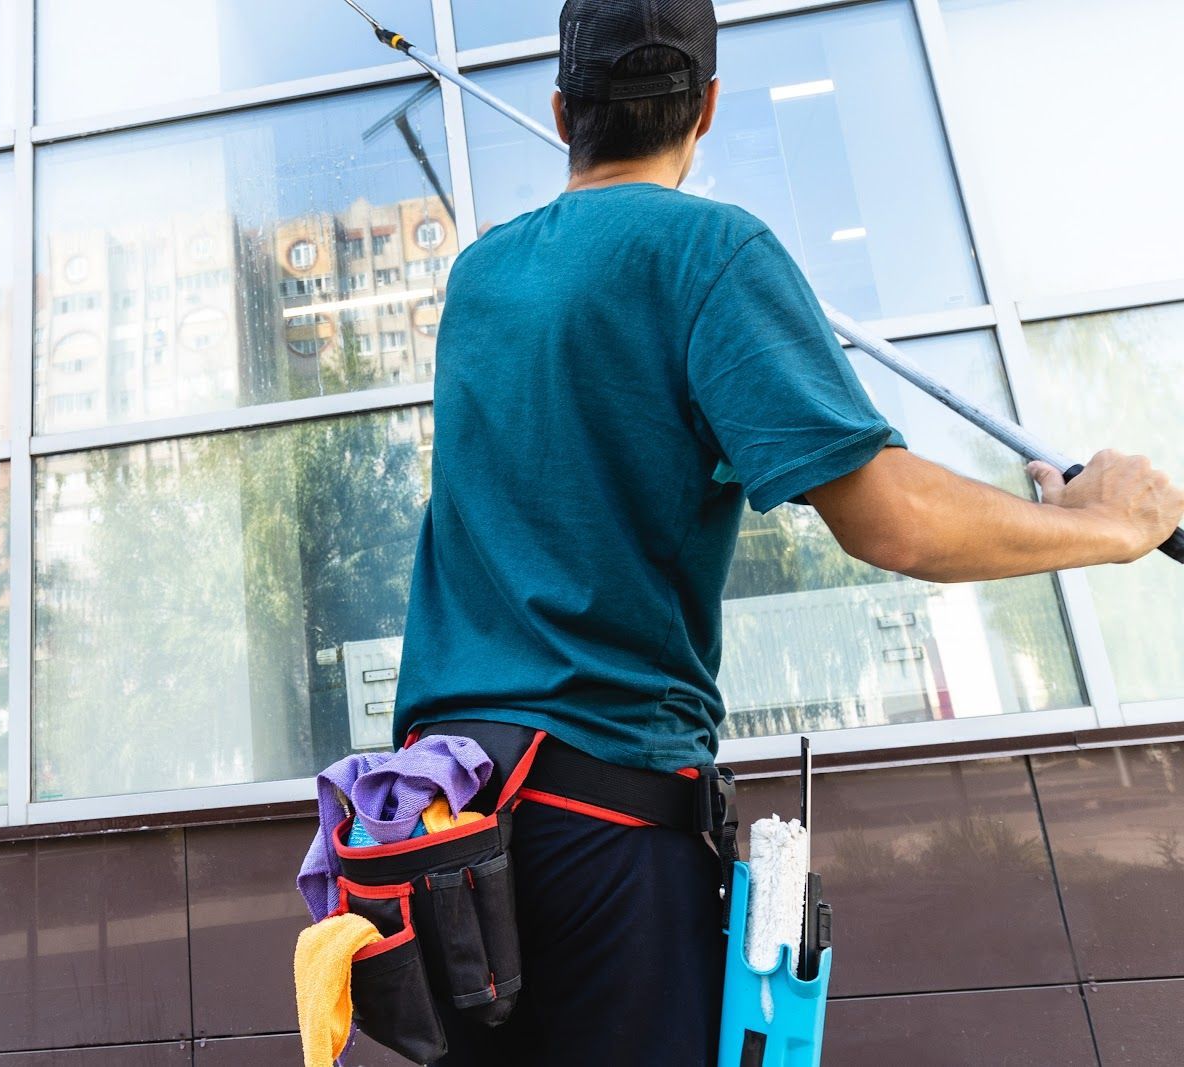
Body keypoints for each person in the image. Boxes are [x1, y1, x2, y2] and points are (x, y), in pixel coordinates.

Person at [390, 0, 1184, 1063]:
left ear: (561, 107)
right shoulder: (709, 249)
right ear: (707, 107)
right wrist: (1105, 526)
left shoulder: (479, 277)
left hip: (449, 842)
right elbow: (891, 520)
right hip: (604, 828)